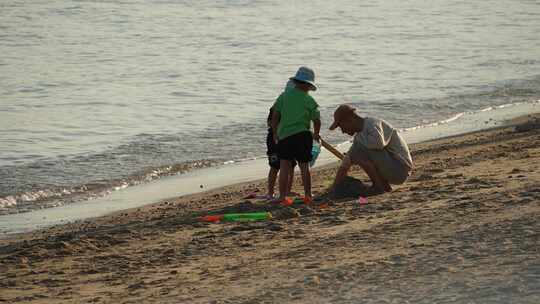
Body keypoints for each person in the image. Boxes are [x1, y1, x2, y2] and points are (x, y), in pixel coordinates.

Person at [328, 104, 413, 194]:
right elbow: (345, 164)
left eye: (341, 126)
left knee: (358, 152)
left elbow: (378, 144)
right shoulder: (359, 137)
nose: (343, 131)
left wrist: (354, 152)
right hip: (390, 167)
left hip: (400, 168)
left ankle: (378, 186)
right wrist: (334, 188)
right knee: (355, 153)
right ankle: (383, 186)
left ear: (350, 119)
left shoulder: (373, 124)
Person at [271, 67, 321, 203]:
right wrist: (316, 134)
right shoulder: (309, 100)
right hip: (303, 136)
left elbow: (275, 116)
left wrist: (275, 132)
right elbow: (317, 120)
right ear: (308, 85)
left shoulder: (283, 97)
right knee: (304, 166)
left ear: (296, 82)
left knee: (284, 166)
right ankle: (308, 194)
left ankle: (282, 196)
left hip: (285, 136)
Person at [266, 80, 296, 198]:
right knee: (275, 166)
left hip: (290, 137)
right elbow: (269, 122)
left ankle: (287, 190)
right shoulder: (278, 103)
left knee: (291, 165)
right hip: (275, 138)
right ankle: (270, 192)